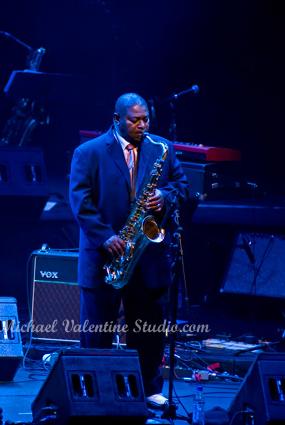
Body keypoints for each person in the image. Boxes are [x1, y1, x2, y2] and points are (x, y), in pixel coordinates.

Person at [69, 92, 188, 410]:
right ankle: (90, 388)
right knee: (97, 331)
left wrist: (164, 195)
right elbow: (81, 201)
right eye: (135, 120)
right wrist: (106, 237)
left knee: (148, 329)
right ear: (117, 119)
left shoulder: (162, 147)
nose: (142, 125)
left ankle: (149, 388)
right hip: (106, 256)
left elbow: (183, 186)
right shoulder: (88, 152)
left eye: (146, 118)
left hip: (147, 255)